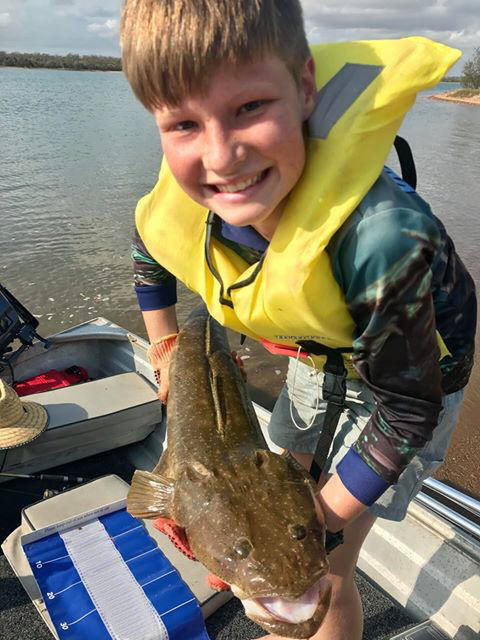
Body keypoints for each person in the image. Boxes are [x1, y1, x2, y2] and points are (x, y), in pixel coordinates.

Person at [120, 2, 477, 639]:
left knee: (329, 567)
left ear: (305, 87)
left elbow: (408, 411)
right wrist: (165, 344)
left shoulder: (382, 240)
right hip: (317, 357)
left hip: (408, 384)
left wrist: (323, 518)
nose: (222, 156)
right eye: (183, 124)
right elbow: (149, 246)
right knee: (269, 493)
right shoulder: (193, 195)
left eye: (249, 108)